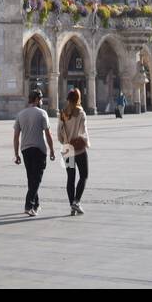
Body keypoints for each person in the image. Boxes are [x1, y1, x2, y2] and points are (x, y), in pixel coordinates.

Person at [13, 88, 55, 216]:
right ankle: (28, 205)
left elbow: (15, 136)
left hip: (25, 149)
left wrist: (16, 154)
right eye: (41, 98)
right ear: (37, 100)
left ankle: (36, 205)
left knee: (31, 178)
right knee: (36, 179)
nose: (41, 101)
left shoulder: (20, 114)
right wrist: (52, 150)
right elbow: (48, 134)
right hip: (39, 149)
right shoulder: (42, 113)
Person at [58, 87, 90, 216]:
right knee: (84, 175)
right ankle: (76, 202)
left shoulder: (63, 113)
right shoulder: (80, 112)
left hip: (66, 149)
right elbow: (84, 131)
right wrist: (85, 142)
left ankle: (72, 205)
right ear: (78, 99)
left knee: (70, 178)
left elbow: (59, 134)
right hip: (79, 149)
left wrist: (65, 142)